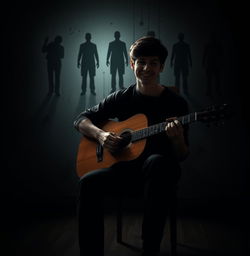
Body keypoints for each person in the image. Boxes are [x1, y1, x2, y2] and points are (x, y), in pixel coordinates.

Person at [74, 36, 190, 256]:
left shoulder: (176, 103)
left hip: (160, 176)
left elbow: (183, 155)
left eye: (153, 63)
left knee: (157, 163)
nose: (147, 68)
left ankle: (150, 248)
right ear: (132, 64)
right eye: (141, 62)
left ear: (162, 66)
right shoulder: (122, 98)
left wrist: (176, 139)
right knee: (87, 182)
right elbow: (81, 119)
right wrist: (101, 136)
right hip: (126, 172)